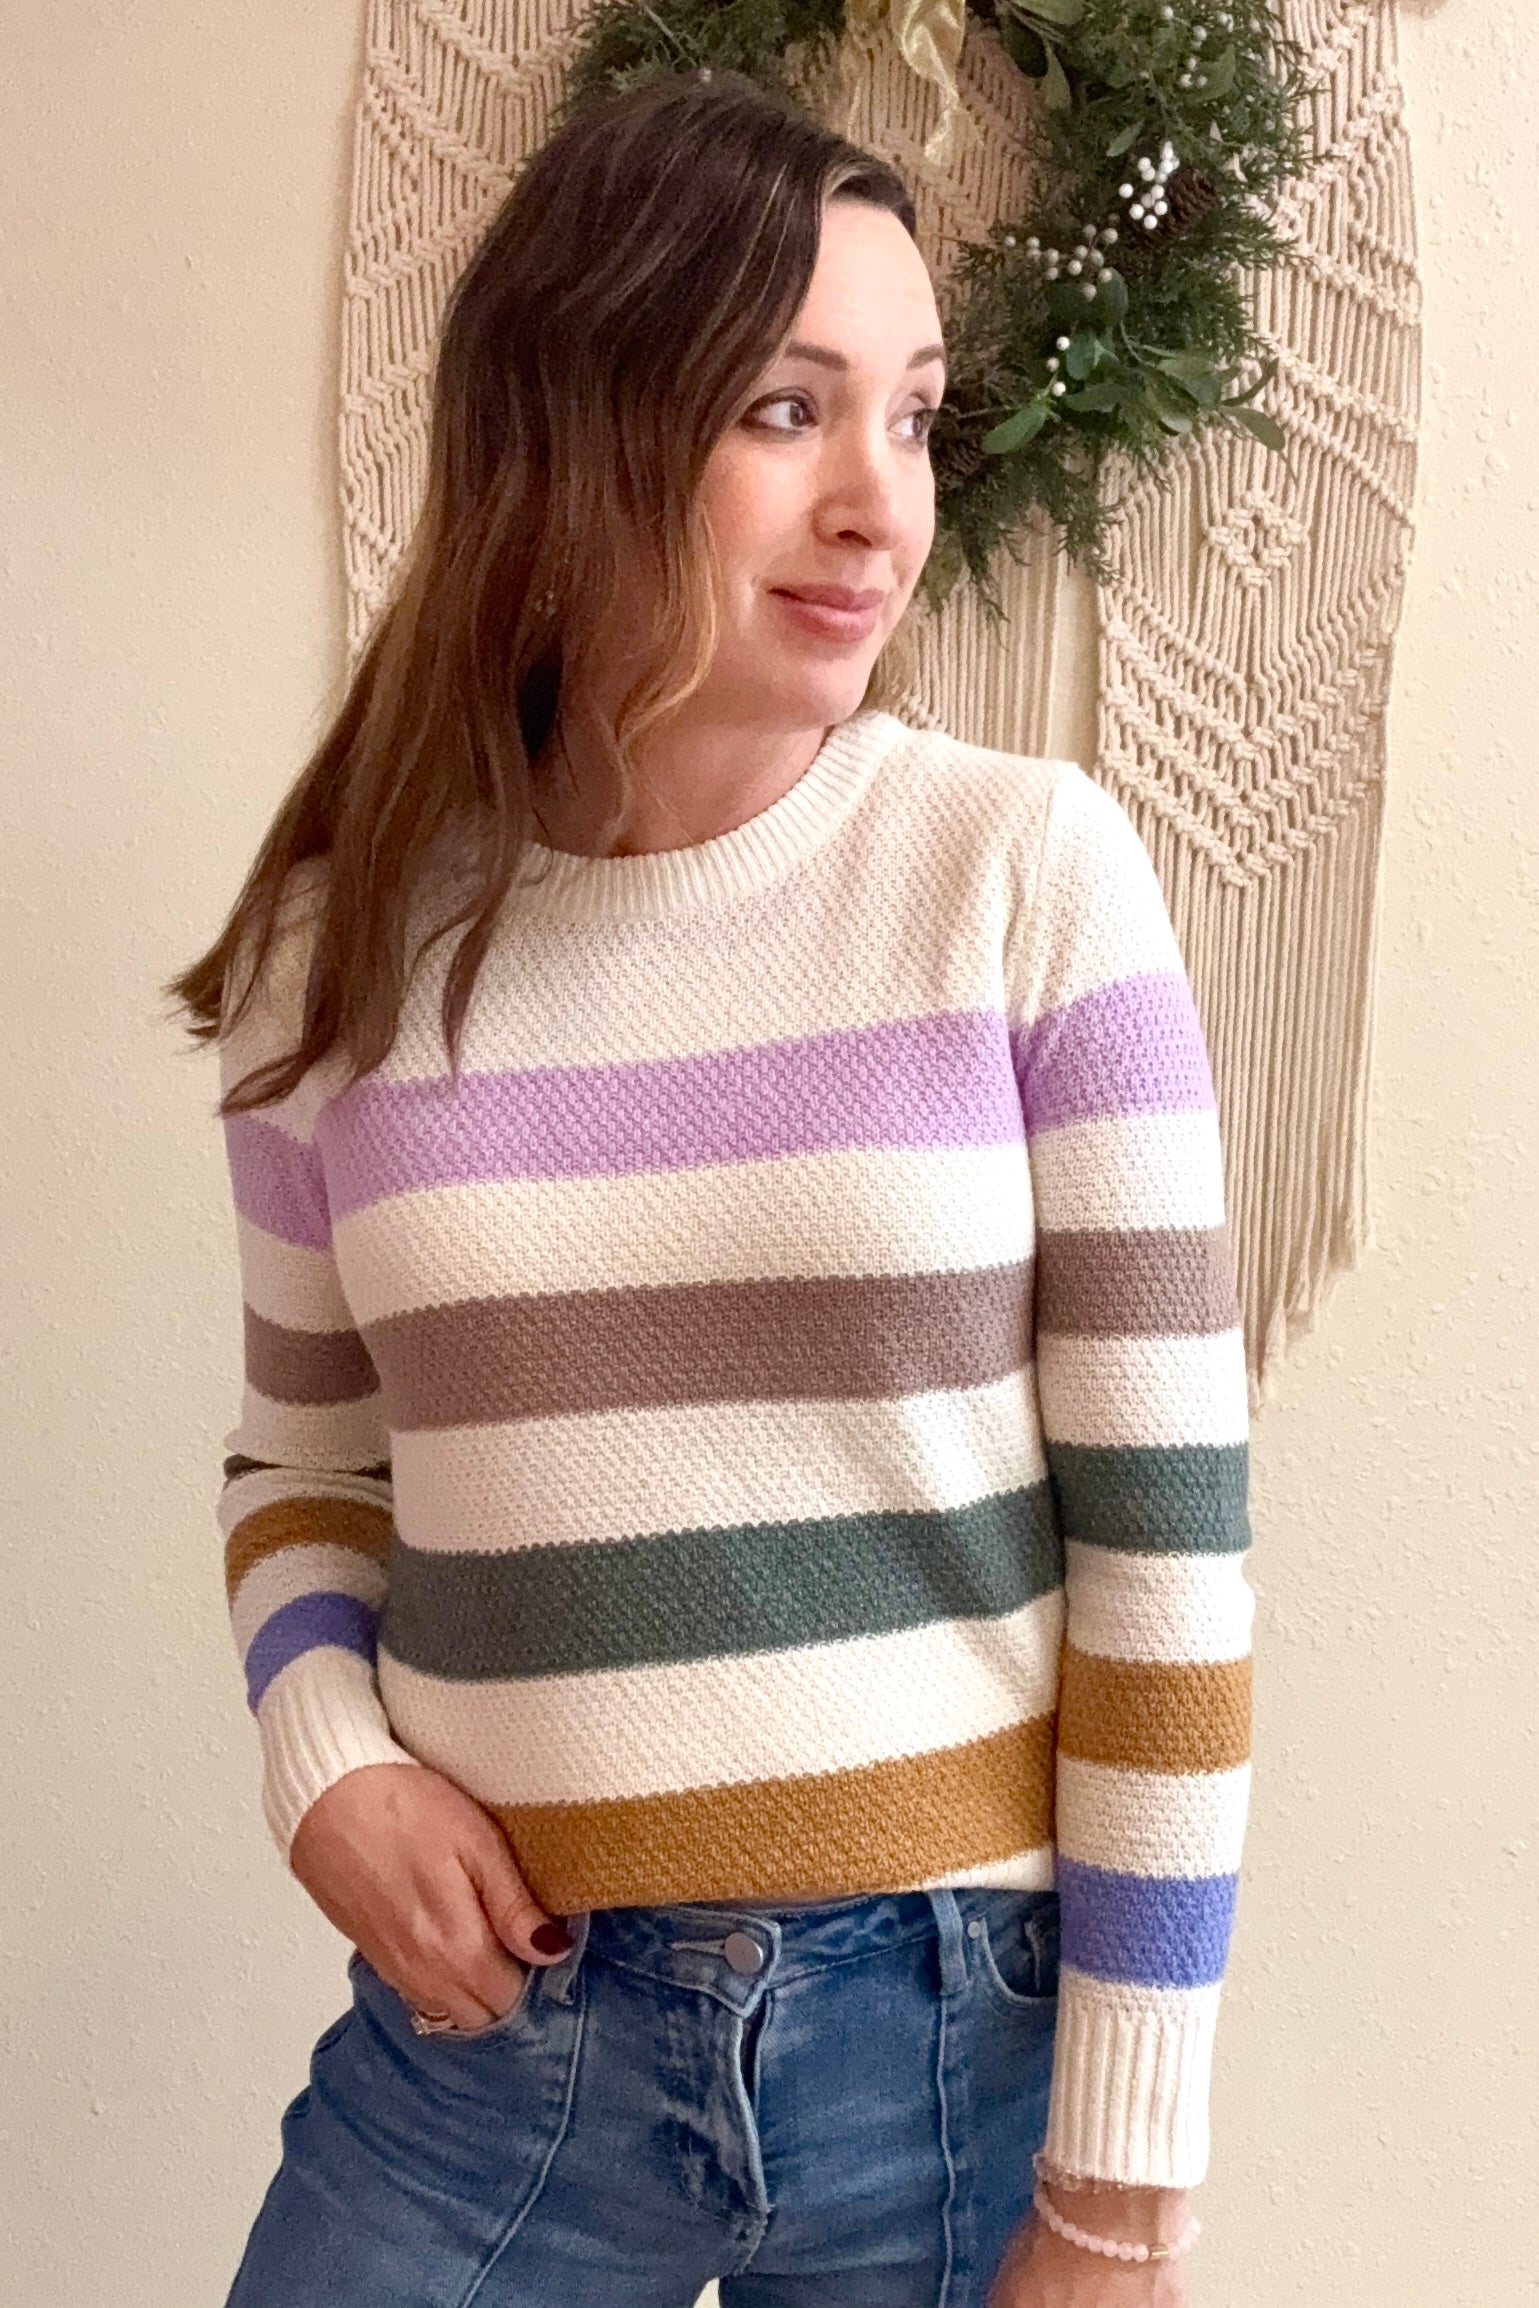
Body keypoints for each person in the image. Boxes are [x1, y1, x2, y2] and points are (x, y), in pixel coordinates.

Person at [168, 67, 1254, 2308]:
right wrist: (326, 1759)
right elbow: (306, 1463)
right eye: (786, 408)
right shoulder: (337, 946)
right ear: (569, 431)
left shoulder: (1020, 873)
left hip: (947, 2054)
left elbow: (1165, 1555)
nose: (878, 505)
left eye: (913, 416)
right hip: (493, 2046)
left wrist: (1118, 2190)